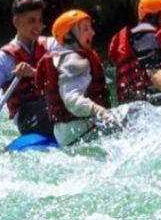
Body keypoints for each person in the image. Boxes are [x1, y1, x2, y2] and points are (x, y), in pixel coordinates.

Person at [0, 0, 54, 140]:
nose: (37, 26)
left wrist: (33, 72)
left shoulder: (50, 45)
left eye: (39, 20)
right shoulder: (4, 58)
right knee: (50, 112)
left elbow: (66, 73)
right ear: (17, 22)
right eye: (32, 21)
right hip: (26, 117)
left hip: (53, 107)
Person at [35, 9, 114, 147]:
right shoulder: (73, 60)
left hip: (69, 134)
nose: (92, 32)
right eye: (85, 29)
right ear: (69, 36)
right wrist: (99, 111)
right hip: (80, 133)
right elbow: (71, 100)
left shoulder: (65, 57)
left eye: (91, 28)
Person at [107, 0, 161, 105]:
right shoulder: (147, 36)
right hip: (153, 102)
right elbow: (153, 70)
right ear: (153, 16)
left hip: (139, 105)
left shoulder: (139, 36)